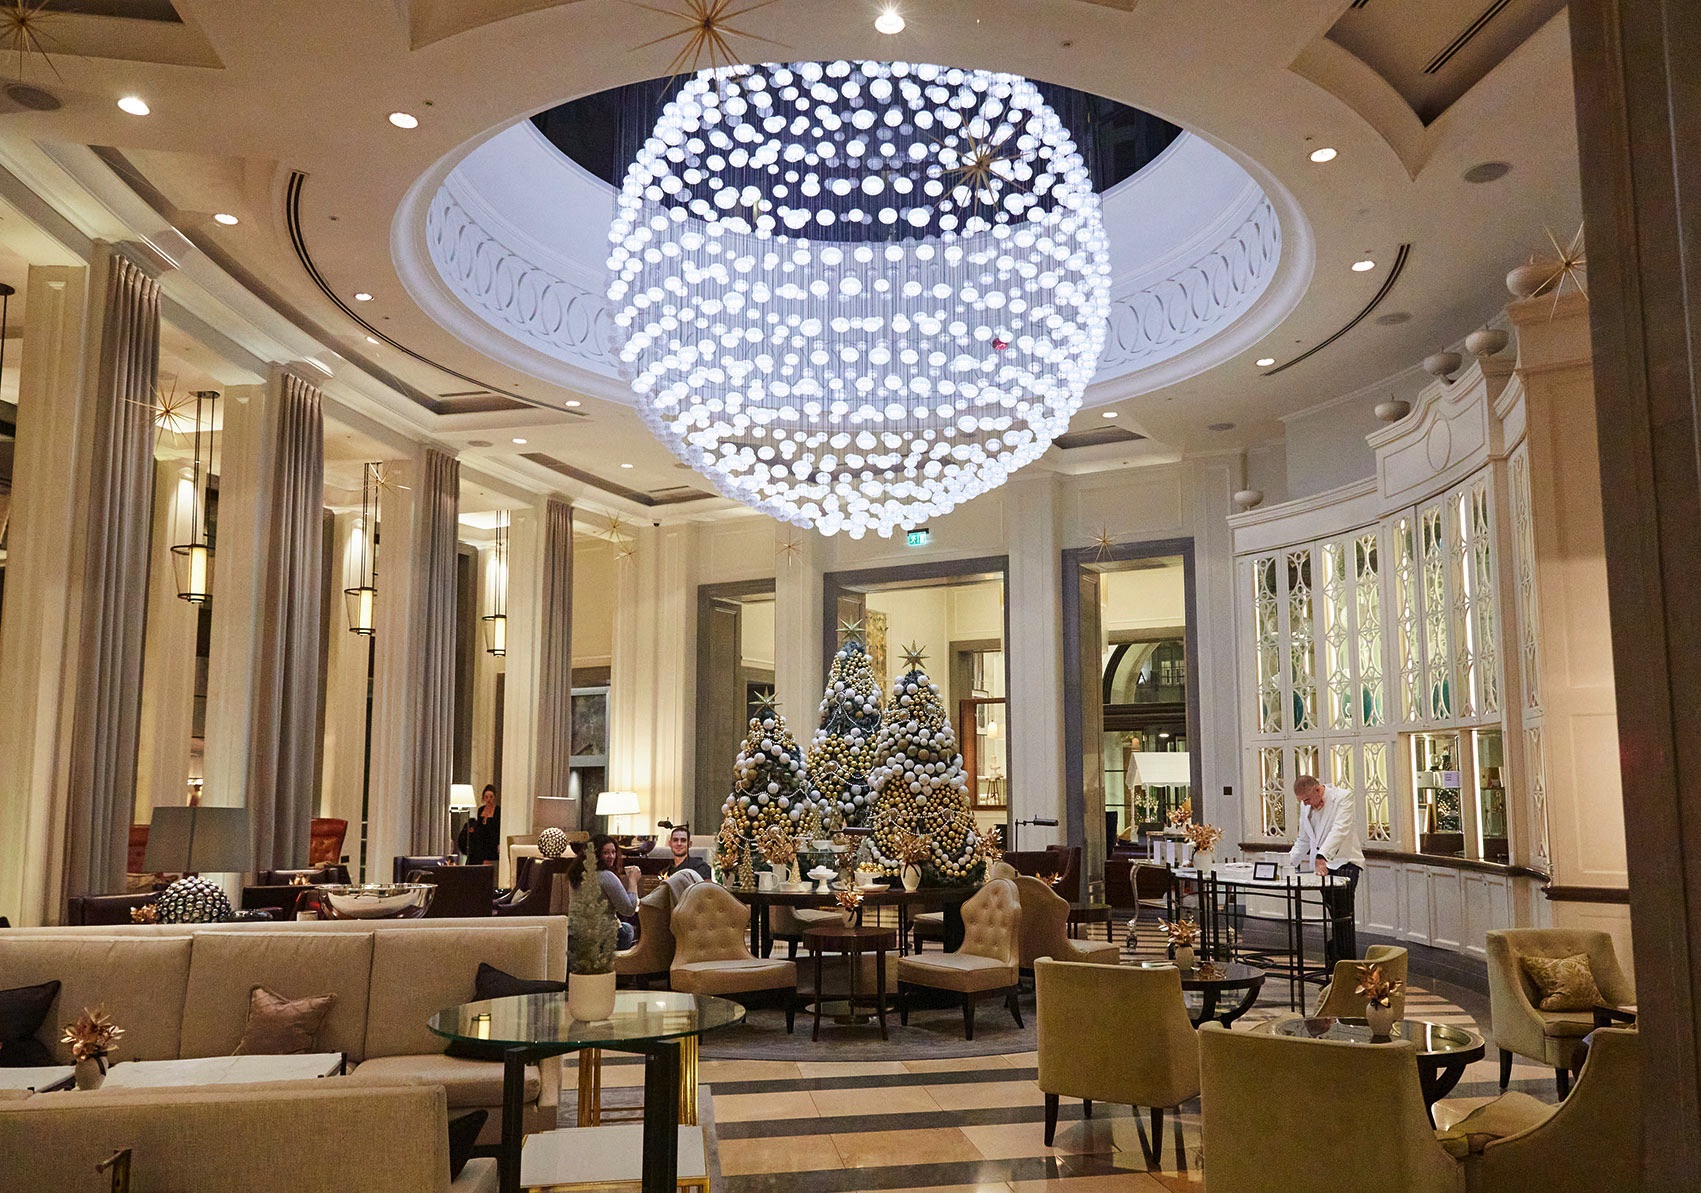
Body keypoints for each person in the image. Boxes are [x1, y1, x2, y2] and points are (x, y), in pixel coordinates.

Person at [1286, 774, 1365, 965]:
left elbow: (1339, 830)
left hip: (1345, 864)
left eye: (1307, 799)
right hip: (1323, 868)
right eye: (1302, 801)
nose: (1305, 804)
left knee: (1343, 916)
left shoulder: (1343, 797)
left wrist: (1322, 856)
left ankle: (1345, 966)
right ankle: (1336, 960)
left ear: (1317, 790)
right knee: (1334, 915)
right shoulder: (1306, 807)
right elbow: (1304, 839)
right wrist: (1287, 863)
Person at [590, 833, 641, 949]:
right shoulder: (606, 876)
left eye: (613, 852)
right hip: (603, 937)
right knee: (628, 929)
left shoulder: (576, 875)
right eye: (606, 853)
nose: (611, 856)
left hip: (580, 935)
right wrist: (633, 880)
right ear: (596, 854)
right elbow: (628, 910)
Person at [457, 784, 501, 865]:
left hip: (492, 840)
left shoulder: (498, 810)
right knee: (474, 851)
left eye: (491, 797)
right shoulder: (481, 810)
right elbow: (479, 825)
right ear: (483, 798)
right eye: (486, 797)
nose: (489, 799)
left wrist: (499, 843)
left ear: (494, 798)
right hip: (481, 840)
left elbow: (498, 828)